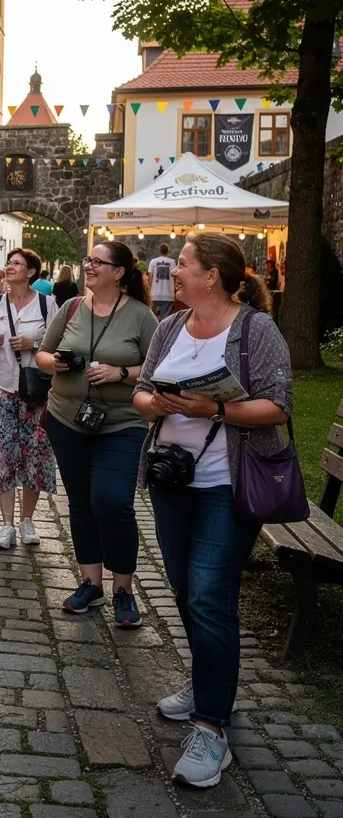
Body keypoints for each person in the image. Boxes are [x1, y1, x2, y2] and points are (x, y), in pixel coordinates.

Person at [133, 234, 289, 789]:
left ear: (213, 276)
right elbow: (142, 392)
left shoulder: (256, 330)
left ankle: (210, 728)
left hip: (228, 483)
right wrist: (159, 402)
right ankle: (206, 682)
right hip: (172, 479)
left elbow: (277, 406)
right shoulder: (172, 326)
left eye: (183, 265)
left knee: (208, 595)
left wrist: (213, 407)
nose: (174, 273)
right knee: (182, 589)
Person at [35, 240, 157, 628]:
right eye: (87, 260)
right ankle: (91, 583)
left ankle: (124, 589)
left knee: (112, 501)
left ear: (119, 273)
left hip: (123, 422)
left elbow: (158, 368)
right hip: (66, 419)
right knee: (82, 501)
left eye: (97, 262)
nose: (88, 266)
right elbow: (42, 354)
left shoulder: (141, 317)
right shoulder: (71, 307)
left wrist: (121, 373)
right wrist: (53, 363)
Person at [0, 247, 57, 549]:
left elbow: (58, 342)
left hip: (35, 389)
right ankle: (7, 524)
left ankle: (27, 521)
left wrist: (33, 343)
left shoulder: (48, 305)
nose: (10, 268)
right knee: (1, 453)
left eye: (17, 264)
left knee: (35, 452)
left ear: (31, 272)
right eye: (8, 263)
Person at [148, 244, 177, 319]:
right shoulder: (172, 262)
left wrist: (150, 290)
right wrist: (174, 291)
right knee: (165, 319)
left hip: (154, 294)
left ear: (159, 251)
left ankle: (154, 330)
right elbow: (174, 278)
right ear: (168, 251)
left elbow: (150, 278)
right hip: (168, 294)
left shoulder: (153, 261)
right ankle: (163, 330)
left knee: (152, 318)